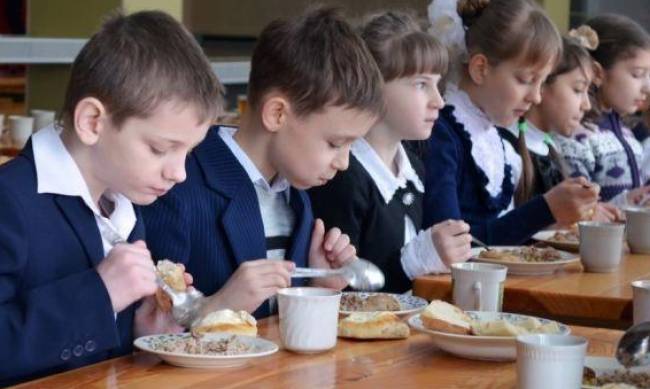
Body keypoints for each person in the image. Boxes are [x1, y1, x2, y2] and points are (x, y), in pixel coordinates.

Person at [0, 11, 223, 385]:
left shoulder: (125, 208)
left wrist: (141, 333)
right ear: (92, 122)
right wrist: (99, 296)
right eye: (159, 148)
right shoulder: (11, 201)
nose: (179, 173)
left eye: (188, 153)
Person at [143, 7, 384, 318]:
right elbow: (150, 335)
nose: (344, 163)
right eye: (335, 143)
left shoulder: (297, 197)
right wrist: (218, 307)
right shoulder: (178, 183)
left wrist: (319, 285)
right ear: (277, 115)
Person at [309, 11, 471, 293]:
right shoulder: (344, 177)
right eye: (422, 85)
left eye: (438, 84)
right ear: (374, 87)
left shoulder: (414, 170)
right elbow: (345, 293)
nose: (439, 101)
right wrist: (415, 260)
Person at [422, 0, 599, 245]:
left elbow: (503, 238)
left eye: (542, 82)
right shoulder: (443, 136)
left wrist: (557, 218)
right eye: (526, 79)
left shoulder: (495, 138)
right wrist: (545, 209)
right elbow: (453, 247)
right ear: (481, 69)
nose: (536, 96)